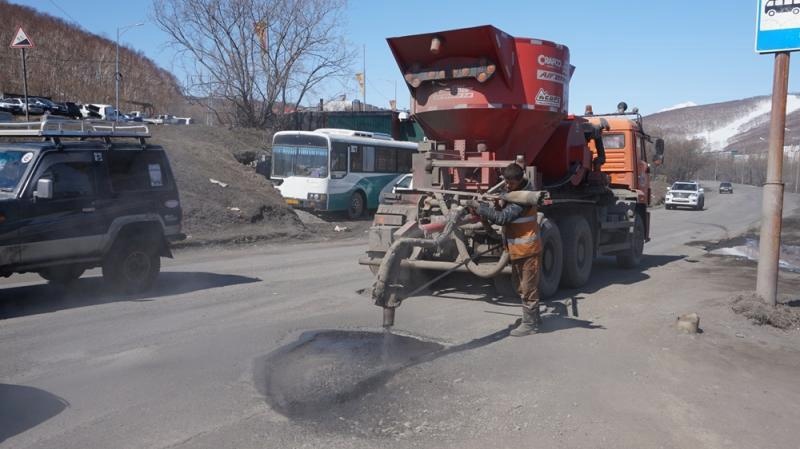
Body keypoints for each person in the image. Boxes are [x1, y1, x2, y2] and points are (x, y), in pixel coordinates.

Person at [465, 163, 542, 336]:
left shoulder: (525, 199)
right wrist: (497, 203)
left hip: (528, 249)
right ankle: (535, 318)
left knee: (528, 287)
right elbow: (502, 212)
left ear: (520, 179)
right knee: (520, 286)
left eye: (511, 183)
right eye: (506, 182)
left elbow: (502, 218)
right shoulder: (514, 193)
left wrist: (481, 207)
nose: (507, 186)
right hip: (517, 248)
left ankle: (530, 325)